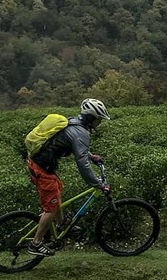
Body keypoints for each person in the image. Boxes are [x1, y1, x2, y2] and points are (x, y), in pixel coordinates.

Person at [26, 98, 111, 256]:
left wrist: (91, 156)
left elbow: (78, 147)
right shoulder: (82, 132)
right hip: (42, 168)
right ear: (92, 118)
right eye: (99, 119)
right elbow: (82, 164)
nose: (99, 122)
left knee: (57, 190)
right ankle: (35, 244)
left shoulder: (73, 122)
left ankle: (61, 224)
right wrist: (97, 183)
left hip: (38, 163)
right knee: (50, 208)